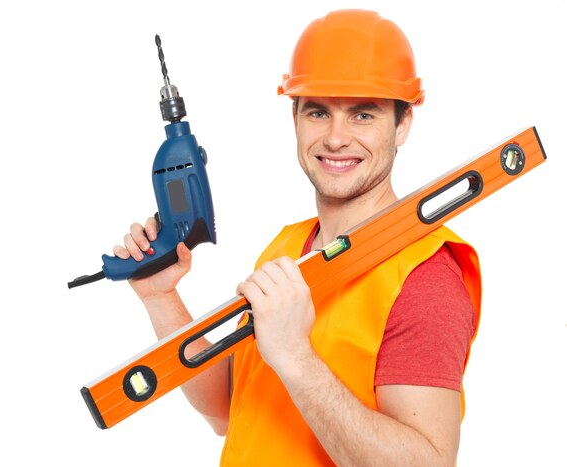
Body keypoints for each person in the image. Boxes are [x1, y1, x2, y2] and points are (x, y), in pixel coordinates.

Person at [114, 9, 481, 466]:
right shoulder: (288, 248)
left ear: (402, 124)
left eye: (363, 114)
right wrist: (161, 297)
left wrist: (296, 358)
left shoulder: (423, 277)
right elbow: (231, 409)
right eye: (318, 112)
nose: (335, 138)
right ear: (295, 118)